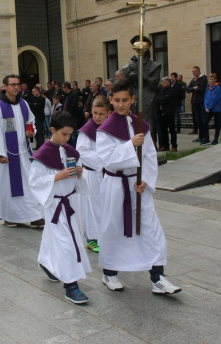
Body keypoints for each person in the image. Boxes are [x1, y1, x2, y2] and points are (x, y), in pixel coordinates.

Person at [96, 80, 181, 295]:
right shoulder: (105, 129)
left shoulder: (141, 124)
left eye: (125, 100)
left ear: (133, 99)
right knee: (113, 228)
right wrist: (130, 145)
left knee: (150, 229)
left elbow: (150, 156)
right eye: (116, 100)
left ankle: (158, 277)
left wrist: (147, 181)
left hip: (137, 185)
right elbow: (107, 160)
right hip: (116, 185)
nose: (121, 105)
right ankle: (109, 272)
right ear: (111, 100)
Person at [29, 111, 92, 304]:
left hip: (71, 202)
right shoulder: (42, 156)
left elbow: (78, 180)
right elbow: (34, 181)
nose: (67, 138)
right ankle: (71, 285)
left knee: (55, 236)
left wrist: (79, 174)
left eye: (70, 134)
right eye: (64, 134)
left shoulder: (70, 152)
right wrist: (57, 176)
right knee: (66, 242)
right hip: (55, 203)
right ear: (53, 130)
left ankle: (47, 263)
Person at [0, 74, 44, 228]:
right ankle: (10, 216)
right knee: (9, 187)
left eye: (17, 84)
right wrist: (0, 153)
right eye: (12, 84)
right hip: (8, 153)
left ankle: (35, 216)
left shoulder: (24, 104)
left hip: (24, 152)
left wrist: (31, 131)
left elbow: (30, 121)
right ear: (5, 86)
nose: (15, 87)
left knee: (29, 183)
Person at [76, 95, 110, 254]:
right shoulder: (87, 130)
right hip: (93, 174)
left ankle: (106, 237)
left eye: (101, 113)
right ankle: (92, 239)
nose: (97, 116)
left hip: (107, 175)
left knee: (105, 207)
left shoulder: (111, 127)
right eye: (94, 112)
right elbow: (82, 152)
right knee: (92, 207)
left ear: (109, 113)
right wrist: (104, 162)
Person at [156, 77, 178, 152]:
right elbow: (158, 99)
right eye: (162, 82)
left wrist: (162, 99)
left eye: (164, 82)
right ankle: (165, 145)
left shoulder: (172, 90)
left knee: (172, 130)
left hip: (169, 113)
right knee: (163, 130)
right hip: (162, 112)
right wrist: (162, 99)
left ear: (168, 83)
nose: (163, 84)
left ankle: (174, 146)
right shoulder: (162, 91)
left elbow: (166, 99)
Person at [186, 66, 208, 142]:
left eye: (194, 71)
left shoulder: (203, 78)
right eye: (192, 72)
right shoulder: (193, 80)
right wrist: (193, 88)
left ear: (198, 71)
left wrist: (195, 89)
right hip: (194, 102)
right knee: (197, 120)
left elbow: (201, 88)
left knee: (203, 119)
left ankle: (205, 136)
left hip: (201, 101)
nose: (193, 73)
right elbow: (188, 89)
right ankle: (200, 136)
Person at [201, 73, 221, 146]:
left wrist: (209, 107)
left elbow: (216, 99)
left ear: (215, 79)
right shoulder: (207, 87)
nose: (211, 81)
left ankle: (216, 139)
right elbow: (206, 98)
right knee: (205, 122)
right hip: (208, 109)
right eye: (210, 79)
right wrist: (206, 107)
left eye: (213, 79)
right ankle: (206, 138)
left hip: (215, 109)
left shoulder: (218, 88)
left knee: (217, 124)